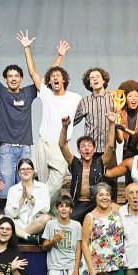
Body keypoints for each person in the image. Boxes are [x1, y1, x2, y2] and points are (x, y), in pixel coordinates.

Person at [0, 31, 65, 197]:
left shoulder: (28, 92)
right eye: (10, 76)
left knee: (25, 189)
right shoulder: (1, 93)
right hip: (6, 147)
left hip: (25, 148)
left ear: (21, 78)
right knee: (6, 190)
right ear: (6, 79)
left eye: (16, 76)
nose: (13, 79)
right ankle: (6, 221)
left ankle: (23, 221)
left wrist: (58, 56)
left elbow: (45, 77)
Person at [35, 58, 80, 203]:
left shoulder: (75, 98)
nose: (55, 78)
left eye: (58, 76)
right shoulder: (47, 95)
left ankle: (38, 205)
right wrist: (27, 48)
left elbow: (84, 112)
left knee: (55, 183)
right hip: (43, 143)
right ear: (49, 81)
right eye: (52, 76)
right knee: (43, 183)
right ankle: (50, 218)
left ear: (64, 80)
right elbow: (32, 73)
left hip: (60, 145)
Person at [59, 114, 115, 223]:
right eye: (83, 146)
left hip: (96, 203)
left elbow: (110, 146)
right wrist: (65, 127)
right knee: (67, 222)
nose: (86, 148)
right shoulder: (74, 162)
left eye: (89, 146)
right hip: (78, 204)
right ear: (79, 151)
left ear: (94, 149)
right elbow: (62, 145)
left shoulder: (100, 162)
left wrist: (112, 124)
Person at [81, 183, 127, 275]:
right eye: (101, 195)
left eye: (107, 194)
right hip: (99, 267)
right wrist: (91, 268)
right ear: (95, 197)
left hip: (117, 264)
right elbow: (84, 244)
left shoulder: (118, 212)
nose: (104, 197)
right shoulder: (90, 217)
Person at [4, 158, 51, 241]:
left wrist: (31, 198)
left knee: (46, 218)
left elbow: (46, 209)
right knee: (0, 218)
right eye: (22, 169)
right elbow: (9, 213)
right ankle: (28, 237)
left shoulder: (43, 187)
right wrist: (22, 198)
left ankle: (21, 236)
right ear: (18, 173)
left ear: (33, 171)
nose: (25, 171)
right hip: (18, 223)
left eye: (28, 169)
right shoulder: (13, 189)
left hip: (35, 224)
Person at [73, 66, 114, 162]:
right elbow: (72, 121)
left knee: (110, 177)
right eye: (92, 78)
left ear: (104, 80)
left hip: (109, 150)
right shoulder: (84, 101)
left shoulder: (113, 99)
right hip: (90, 152)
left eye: (98, 76)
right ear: (90, 84)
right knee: (88, 177)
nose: (95, 79)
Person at [42, 195, 82, 275]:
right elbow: (44, 246)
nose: (64, 209)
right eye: (61, 206)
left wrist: (76, 272)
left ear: (71, 210)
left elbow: (78, 250)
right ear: (57, 209)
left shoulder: (77, 225)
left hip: (71, 267)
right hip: (54, 267)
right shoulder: (50, 224)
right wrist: (54, 240)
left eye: (67, 206)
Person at [116, 80, 138, 160]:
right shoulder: (120, 113)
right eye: (130, 96)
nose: (134, 99)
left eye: (136, 96)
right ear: (124, 98)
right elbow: (120, 140)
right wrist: (117, 128)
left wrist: (124, 129)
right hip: (127, 151)